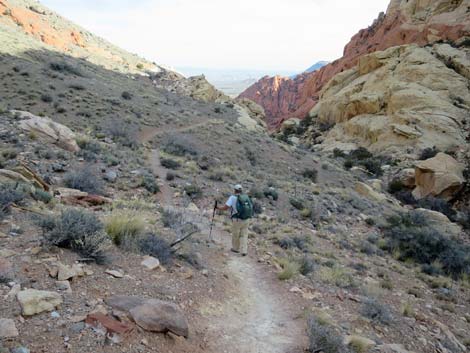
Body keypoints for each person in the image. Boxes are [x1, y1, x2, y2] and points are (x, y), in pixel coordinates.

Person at [217, 184, 253, 256]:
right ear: (241, 190)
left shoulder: (232, 197)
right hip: (247, 218)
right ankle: (244, 250)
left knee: (236, 233)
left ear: (234, 190)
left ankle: (236, 248)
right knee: (244, 234)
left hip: (237, 219)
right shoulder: (246, 197)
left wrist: (218, 208)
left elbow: (226, 207)